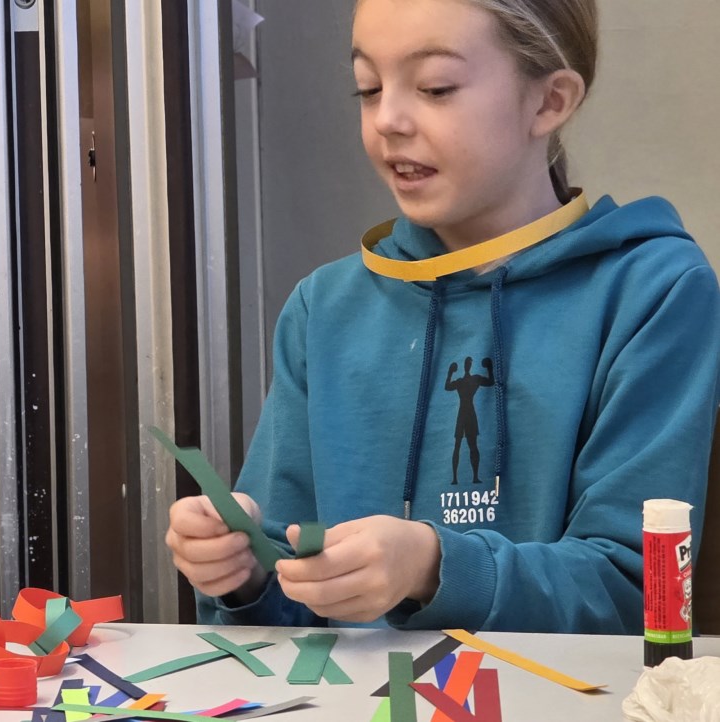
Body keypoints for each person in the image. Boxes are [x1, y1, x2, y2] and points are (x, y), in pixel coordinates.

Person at [167, 0, 720, 633]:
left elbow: (634, 594)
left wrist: (433, 567)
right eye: (369, 88)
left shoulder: (654, 291)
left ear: (550, 101)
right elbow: (287, 592)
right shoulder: (323, 308)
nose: (388, 120)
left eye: (435, 88)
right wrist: (243, 571)